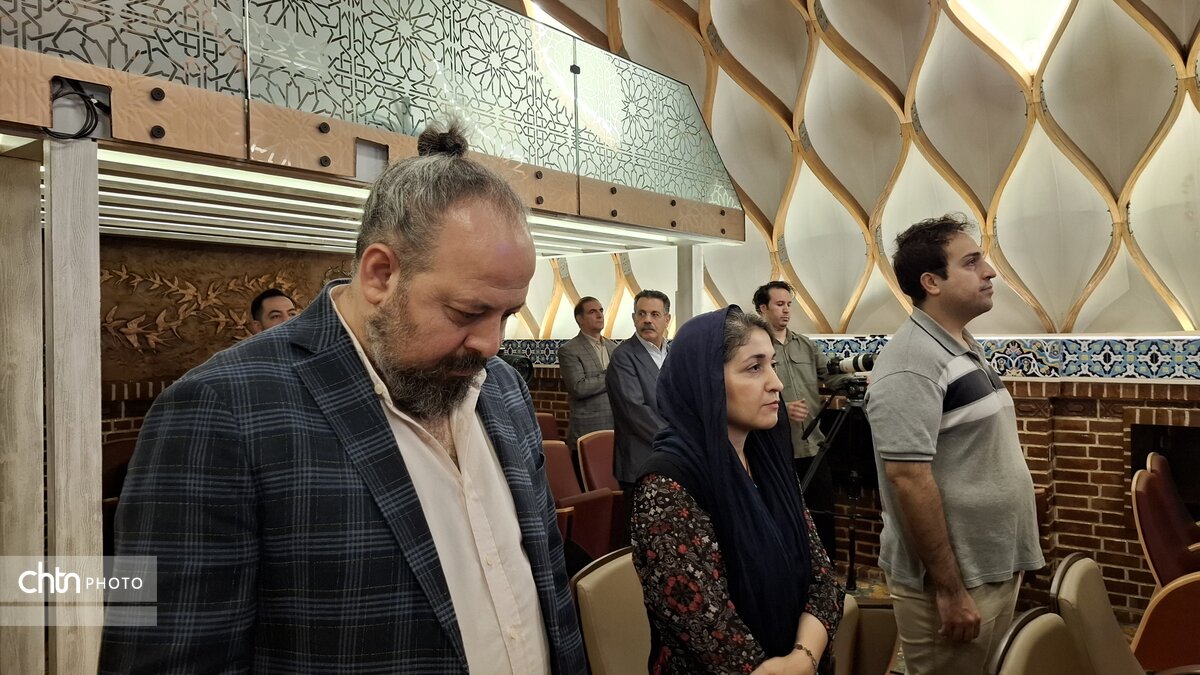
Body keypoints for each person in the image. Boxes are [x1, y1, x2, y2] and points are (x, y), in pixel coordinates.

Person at [100, 121, 587, 674]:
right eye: (467, 312)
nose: (492, 344)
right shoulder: (219, 411)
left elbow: (546, 582)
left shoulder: (503, 388)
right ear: (380, 274)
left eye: (507, 315)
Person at [864, 214, 1044, 674]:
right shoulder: (911, 363)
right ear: (932, 282)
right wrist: (949, 589)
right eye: (971, 262)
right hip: (953, 582)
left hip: (989, 566)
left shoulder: (960, 344)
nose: (989, 272)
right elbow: (908, 479)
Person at [630, 306, 843, 675]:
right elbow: (705, 628)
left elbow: (823, 576)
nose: (776, 383)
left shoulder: (768, 462)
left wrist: (803, 657)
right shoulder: (666, 485)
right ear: (706, 381)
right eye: (754, 368)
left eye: (772, 364)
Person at [753, 280, 850, 558]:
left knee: (822, 515)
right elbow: (746, 394)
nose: (786, 310)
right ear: (763, 308)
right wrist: (783, 410)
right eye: (779, 304)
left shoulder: (806, 345)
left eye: (789, 305)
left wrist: (861, 380)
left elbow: (832, 377)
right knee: (783, 515)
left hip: (813, 448)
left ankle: (827, 572)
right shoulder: (754, 349)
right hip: (776, 448)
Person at [606, 289, 670, 492]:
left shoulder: (672, 353)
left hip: (670, 461)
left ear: (667, 319)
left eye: (655, 314)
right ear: (634, 318)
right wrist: (677, 441)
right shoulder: (623, 356)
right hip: (640, 463)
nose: (647, 320)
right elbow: (635, 411)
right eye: (642, 314)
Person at [557, 297, 617, 451]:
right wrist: (612, 375)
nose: (599, 315)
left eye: (601, 310)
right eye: (592, 312)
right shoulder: (569, 350)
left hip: (616, 428)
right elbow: (579, 388)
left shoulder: (614, 347)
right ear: (580, 319)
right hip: (588, 428)